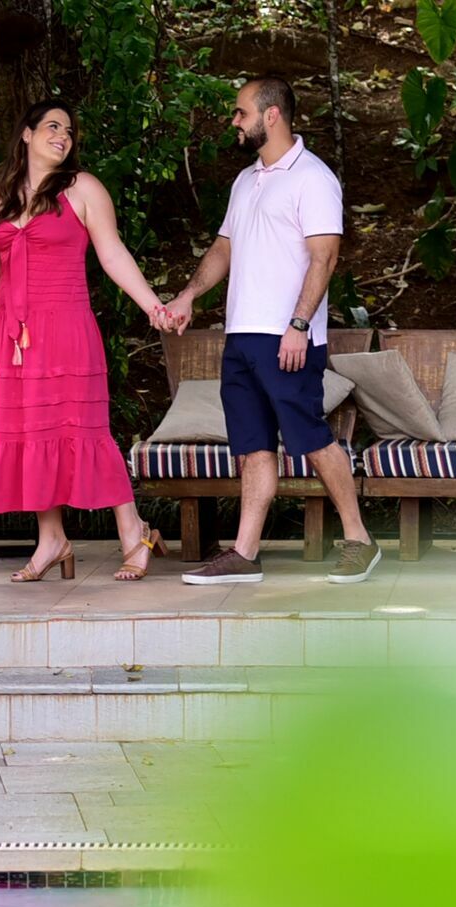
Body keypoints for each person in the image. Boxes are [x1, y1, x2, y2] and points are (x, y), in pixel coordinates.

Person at [158, 74, 377, 585]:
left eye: (241, 112)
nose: (234, 121)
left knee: (311, 438)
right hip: (241, 337)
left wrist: (299, 324)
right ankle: (245, 553)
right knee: (252, 446)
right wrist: (189, 295)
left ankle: (359, 541)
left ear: (271, 115)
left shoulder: (313, 178)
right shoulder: (246, 180)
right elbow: (223, 250)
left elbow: (325, 257)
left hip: (288, 337)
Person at [0, 98, 167, 582]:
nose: (63, 135)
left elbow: (113, 253)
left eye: (70, 130)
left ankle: (134, 532)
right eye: (53, 126)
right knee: (29, 435)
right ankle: (52, 540)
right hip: (14, 335)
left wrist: (152, 305)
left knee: (86, 430)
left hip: (66, 328)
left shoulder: (83, 189)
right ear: (26, 134)